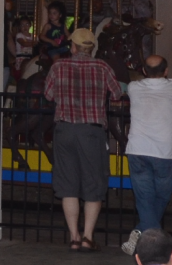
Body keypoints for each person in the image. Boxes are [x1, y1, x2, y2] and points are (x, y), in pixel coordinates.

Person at [44, 26, 122, 251]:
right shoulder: (102, 67)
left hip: (65, 130)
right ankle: (88, 237)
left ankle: (74, 237)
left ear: (73, 46)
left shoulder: (59, 66)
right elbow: (116, 93)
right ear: (92, 48)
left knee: (68, 184)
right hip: (91, 131)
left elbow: (48, 95)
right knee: (93, 182)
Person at [121, 54, 172, 253]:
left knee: (144, 199)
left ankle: (141, 232)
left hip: (138, 150)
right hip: (165, 153)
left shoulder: (134, 88)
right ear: (166, 71)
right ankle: (156, 245)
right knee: (161, 198)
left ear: (144, 72)